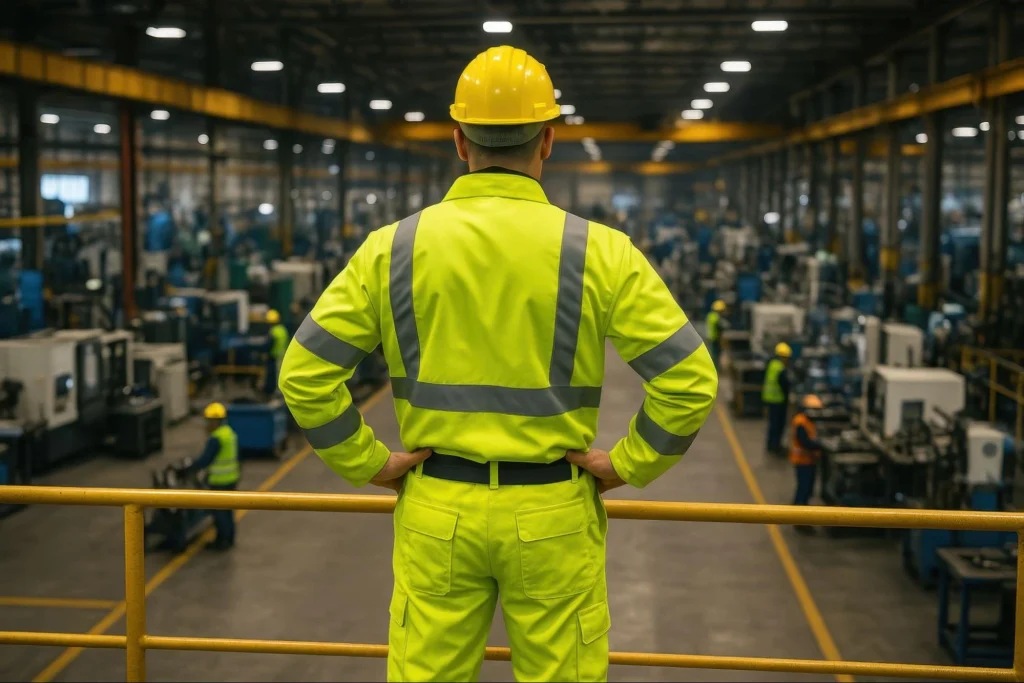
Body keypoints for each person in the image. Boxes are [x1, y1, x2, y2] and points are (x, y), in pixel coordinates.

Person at [279, 45, 719, 683]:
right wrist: (628, 463)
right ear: (548, 140)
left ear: (458, 140)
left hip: (437, 509)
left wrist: (369, 462)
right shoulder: (600, 251)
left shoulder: (392, 249)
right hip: (552, 514)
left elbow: (304, 373)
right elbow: (689, 381)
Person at [187, 402, 240, 550]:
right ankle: (229, 538)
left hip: (219, 481)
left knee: (219, 513)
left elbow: (206, 459)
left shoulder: (216, 438)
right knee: (228, 511)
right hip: (231, 479)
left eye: (209, 421)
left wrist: (192, 466)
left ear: (215, 421)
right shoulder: (229, 433)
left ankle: (222, 542)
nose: (207, 424)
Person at [790, 394, 824, 534]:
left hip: (809, 461)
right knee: (803, 490)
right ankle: (798, 520)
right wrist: (821, 445)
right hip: (802, 462)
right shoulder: (800, 422)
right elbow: (805, 442)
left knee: (807, 490)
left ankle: (802, 517)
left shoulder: (808, 421)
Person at [762, 342, 792, 456]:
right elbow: (785, 385)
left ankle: (771, 444)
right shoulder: (781, 369)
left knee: (772, 425)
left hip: (769, 399)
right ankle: (776, 446)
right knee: (778, 425)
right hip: (778, 401)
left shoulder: (772, 364)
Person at [264, 309, 289, 396]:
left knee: (273, 377)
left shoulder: (273, 331)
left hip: (274, 357)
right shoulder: (282, 330)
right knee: (280, 375)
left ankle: (273, 393)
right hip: (283, 356)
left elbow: (269, 345)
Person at [706, 300, 726, 366]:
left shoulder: (710, 315)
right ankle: (716, 369)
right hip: (715, 338)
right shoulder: (716, 317)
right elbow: (722, 325)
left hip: (710, 337)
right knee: (716, 355)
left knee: (713, 354)